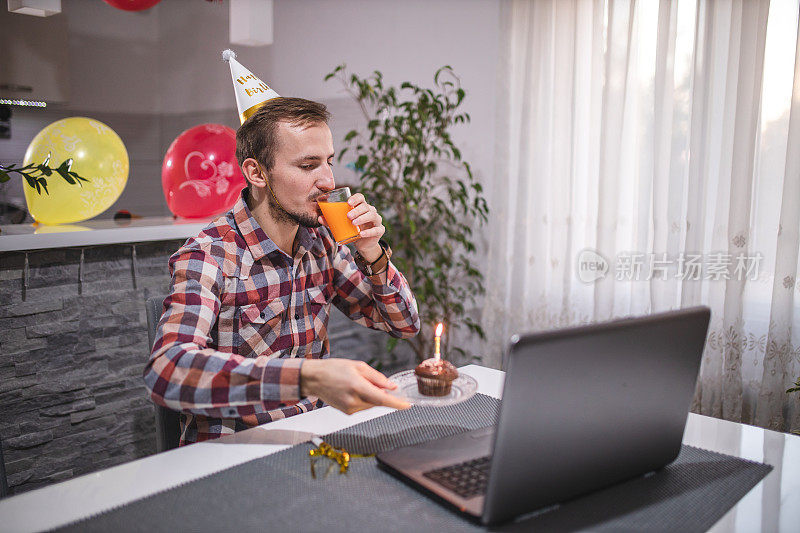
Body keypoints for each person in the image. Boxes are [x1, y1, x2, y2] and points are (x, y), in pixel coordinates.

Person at [144, 97, 420, 445]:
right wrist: (307, 378)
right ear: (257, 173)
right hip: (236, 450)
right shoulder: (209, 255)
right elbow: (166, 371)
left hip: (315, 441)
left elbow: (405, 324)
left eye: (328, 163)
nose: (327, 181)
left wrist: (371, 251)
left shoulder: (322, 243)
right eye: (308, 166)